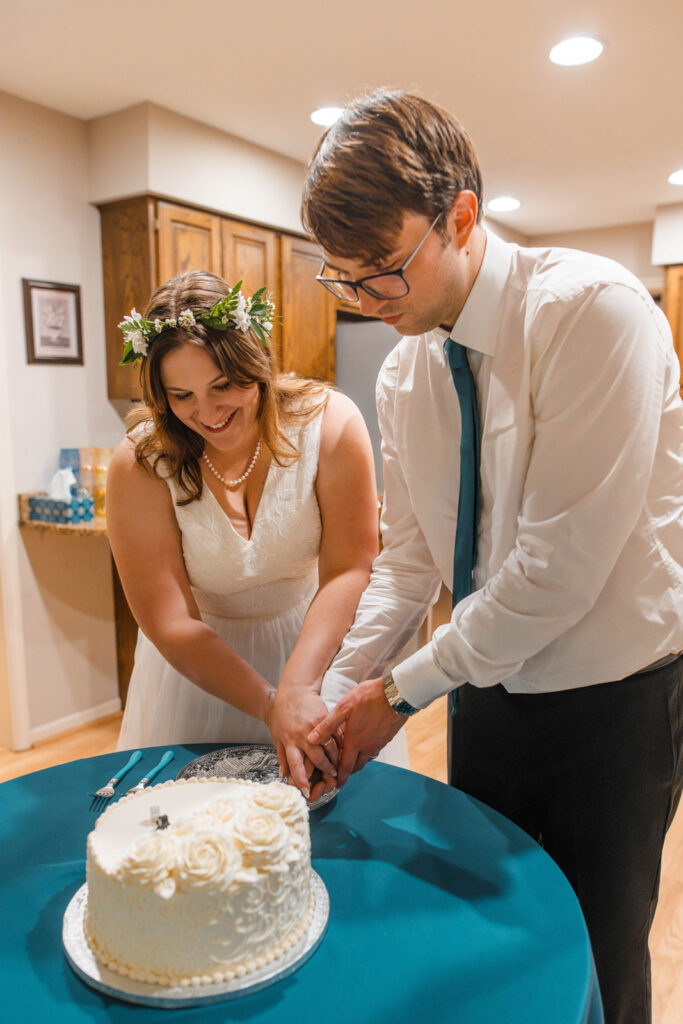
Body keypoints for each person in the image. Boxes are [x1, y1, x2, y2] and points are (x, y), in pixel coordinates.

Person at [301, 90, 683, 1024]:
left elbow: (558, 572)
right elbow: (409, 562)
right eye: (343, 282)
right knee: (484, 940)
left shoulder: (592, 314)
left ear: (460, 217)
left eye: (382, 274)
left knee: (595, 959)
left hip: (613, 703)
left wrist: (396, 695)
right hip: (479, 691)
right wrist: (338, 691)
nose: (365, 303)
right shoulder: (405, 371)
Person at [109, 269, 406, 796]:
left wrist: (297, 687)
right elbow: (171, 620)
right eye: (182, 395)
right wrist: (270, 704)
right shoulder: (141, 462)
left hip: (313, 648)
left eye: (223, 385)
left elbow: (350, 568)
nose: (208, 413)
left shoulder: (330, 424)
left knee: (321, 814)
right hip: (197, 672)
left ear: (255, 361)